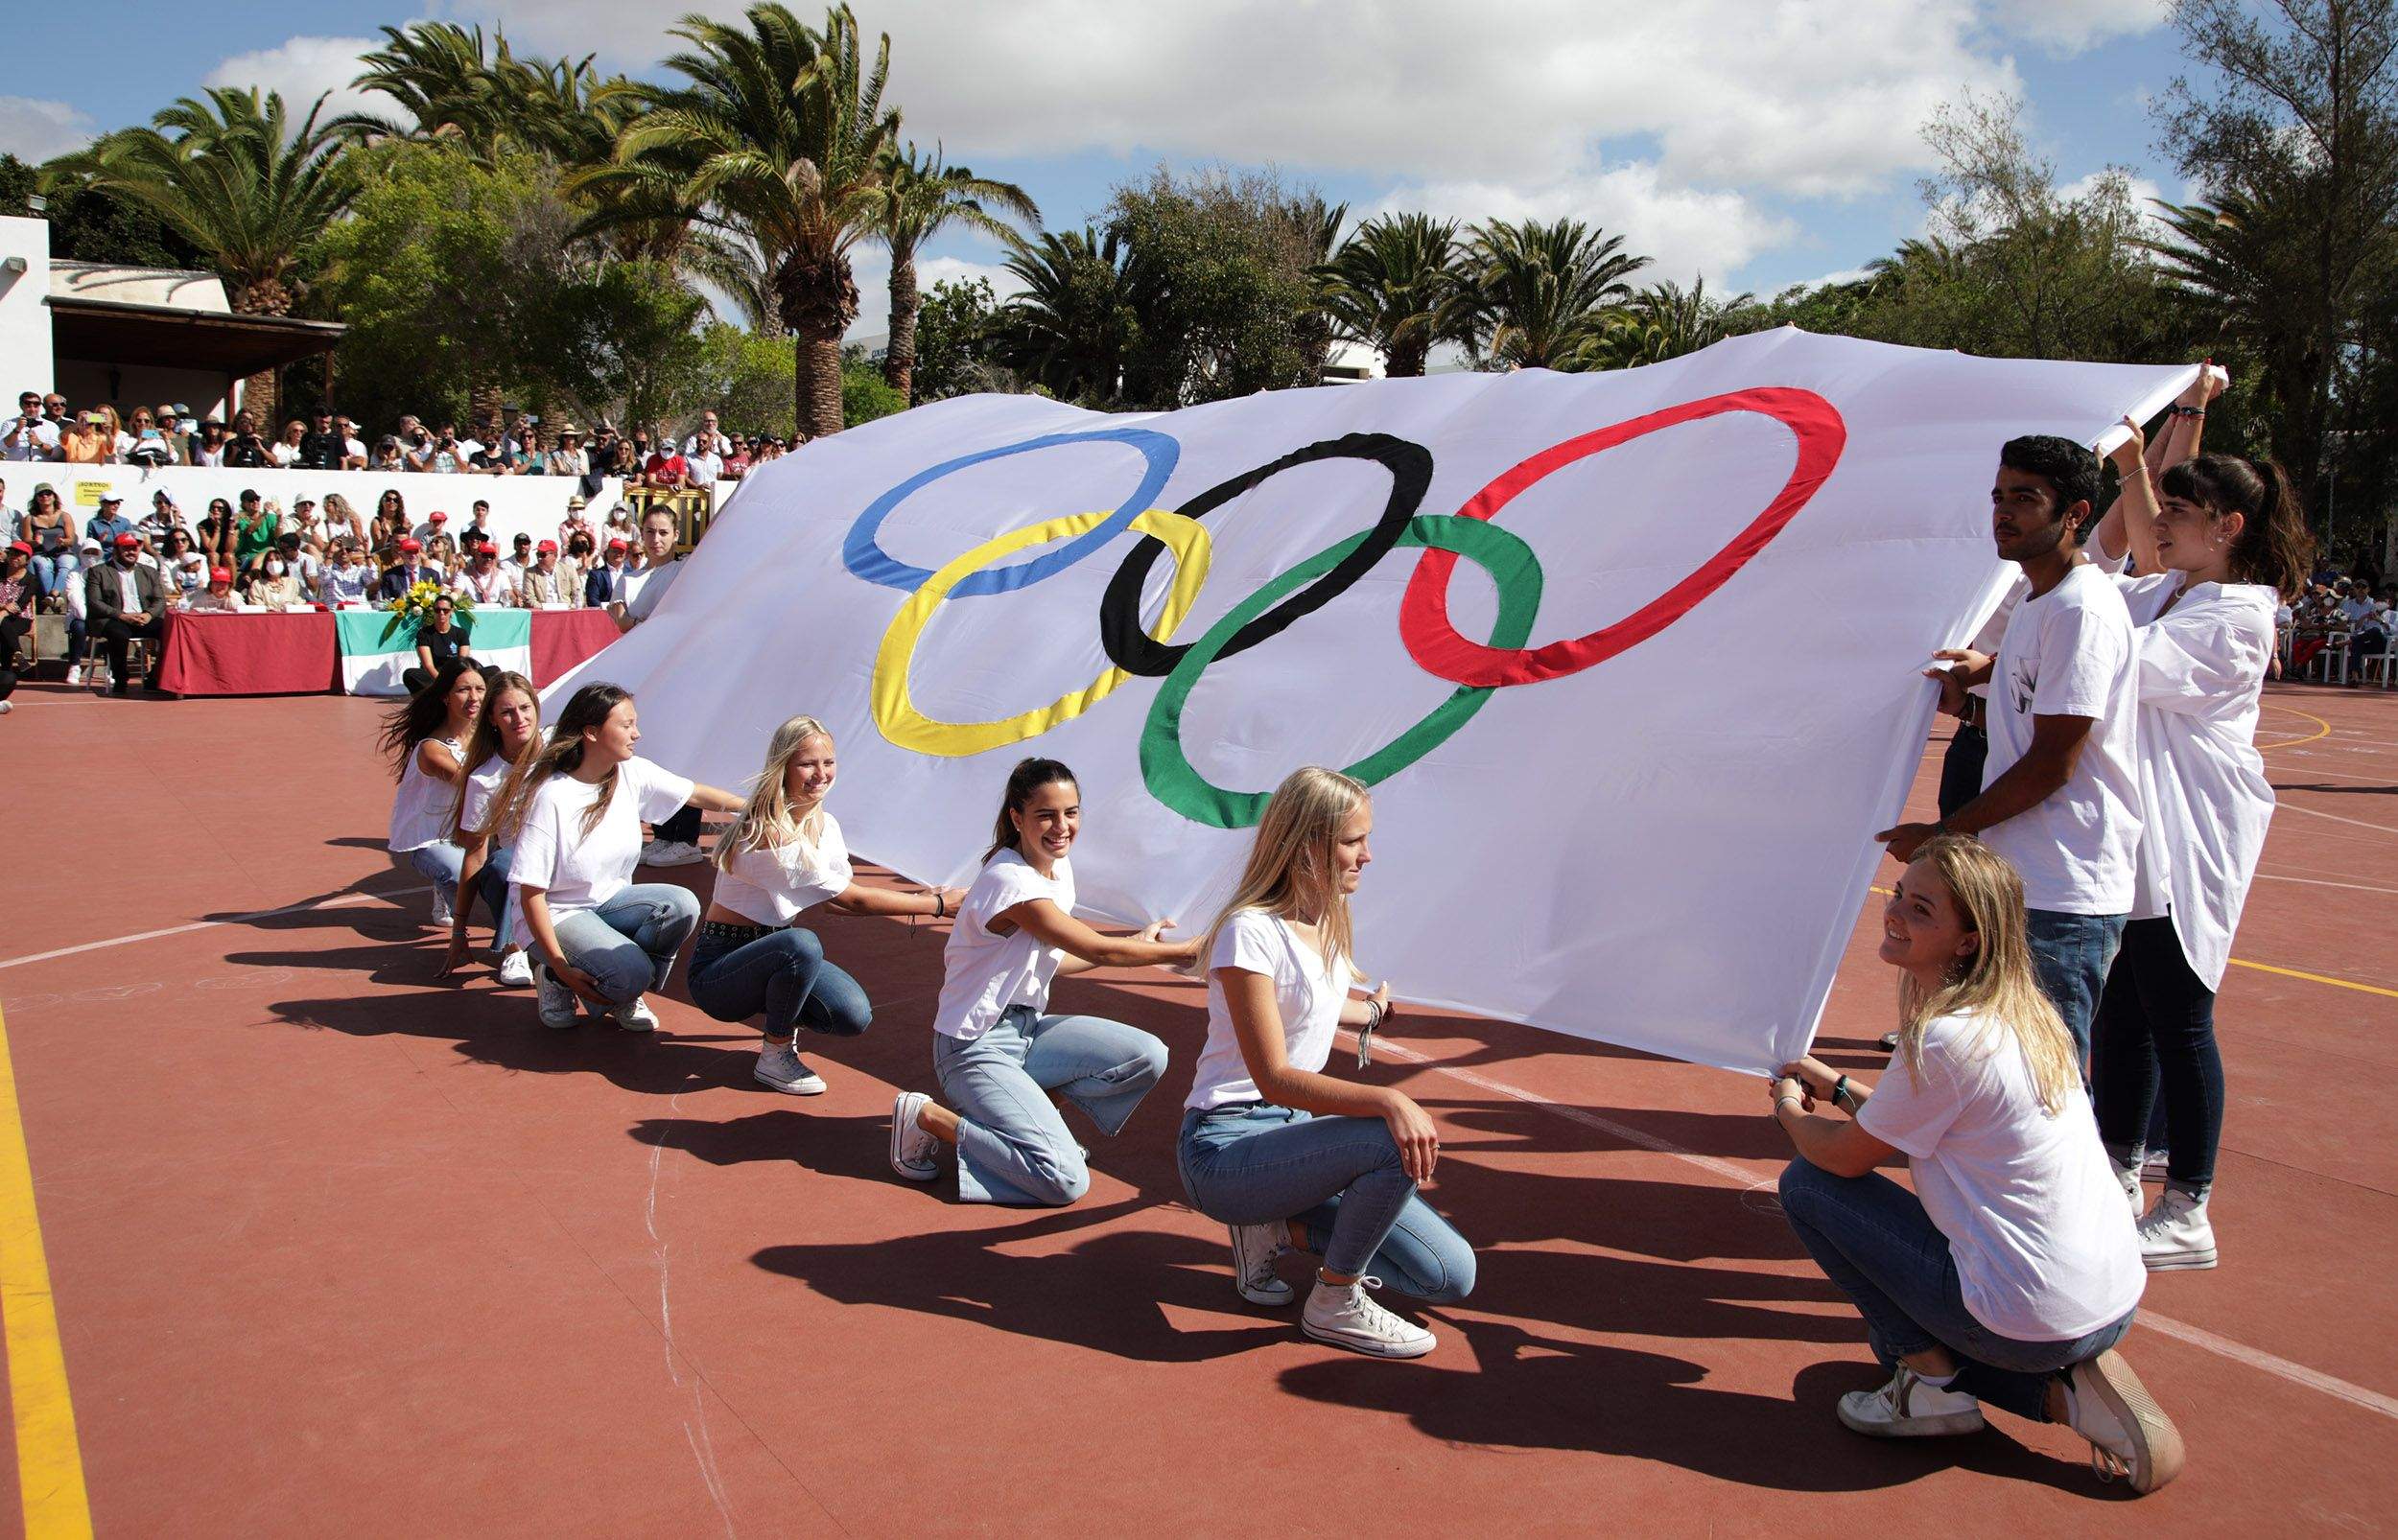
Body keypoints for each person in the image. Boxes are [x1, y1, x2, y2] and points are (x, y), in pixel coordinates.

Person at [1772, 834, 2181, 1495]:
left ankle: (1949, 1390)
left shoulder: (1946, 1038)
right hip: (2113, 1298)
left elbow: (1840, 1160)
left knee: (1809, 1191)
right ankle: (2068, 1389)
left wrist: (1789, 1109)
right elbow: (1919, 1130)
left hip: (2031, 1319)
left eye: (1922, 909)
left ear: (1968, 941)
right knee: (1902, 1331)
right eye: (1900, 894)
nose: (1895, 912)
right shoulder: (2023, 1013)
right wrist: (1842, 1088)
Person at [2084, 428, 2313, 1269]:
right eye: (2164, 510)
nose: (2162, 526)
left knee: (2179, 1015)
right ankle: (2114, 1170)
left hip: (2192, 840)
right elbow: (2118, 578)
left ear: (2229, 527)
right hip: (2139, 838)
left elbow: (2120, 663)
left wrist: (2138, 465)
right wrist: (2131, 468)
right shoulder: (2164, 593)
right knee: (2124, 1012)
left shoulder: (2241, 614)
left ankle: (2189, 1206)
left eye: (2181, 513)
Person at [1176, 766, 1474, 1358]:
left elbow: (1314, 1003)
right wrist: (1390, 1098)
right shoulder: (1249, 932)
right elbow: (1275, 1078)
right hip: (1226, 1148)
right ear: (1308, 844)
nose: (1367, 855)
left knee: (1447, 1274)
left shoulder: (1326, 920)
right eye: (1352, 841)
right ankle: (1334, 1299)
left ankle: (1276, 1229)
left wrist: (1372, 1014)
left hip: (1292, 1143)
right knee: (1390, 1139)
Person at [1880, 436, 2140, 1069]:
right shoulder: (2038, 600)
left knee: (2047, 1080)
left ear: (2075, 512)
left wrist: (1943, 835)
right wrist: (1972, 694)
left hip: (2065, 886)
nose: (2004, 512)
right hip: (2022, 880)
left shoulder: (2082, 610)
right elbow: (2027, 724)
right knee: (2001, 1068)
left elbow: (2054, 762)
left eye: (2025, 498)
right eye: (1999, 496)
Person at [888, 757, 1194, 1205]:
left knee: (1146, 1055)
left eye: (1071, 813)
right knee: (1065, 1181)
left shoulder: (1056, 870)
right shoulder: (1009, 882)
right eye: (1045, 815)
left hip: (1026, 1031)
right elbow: (1098, 950)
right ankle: (931, 1118)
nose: (1061, 826)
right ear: (1017, 818)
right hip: (972, 1047)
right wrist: (1187, 952)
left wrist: (1136, 942)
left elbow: (1055, 960)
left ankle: (1032, 1124)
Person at [691, 715, 964, 1093]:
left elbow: (837, 904)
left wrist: (921, 899)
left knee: (851, 1014)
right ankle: (775, 1053)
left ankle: (777, 1005)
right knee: (801, 945)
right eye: (807, 764)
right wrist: (934, 904)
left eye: (828, 762)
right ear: (782, 767)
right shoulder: (768, 831)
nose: (821, 773)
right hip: (720, 967)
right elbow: (851, 898)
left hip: (773, 952)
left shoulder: (825, 824)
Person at [505, 682, 743, 1031]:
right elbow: (531, 895)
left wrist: (762, 808)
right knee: (632, 973)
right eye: (627, 724)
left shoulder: (632, 772)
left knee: (680, 904)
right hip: (559, 913)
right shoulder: (552, 797)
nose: (637, 733)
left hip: (608, 902)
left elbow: (697, 794)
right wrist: (560, 967)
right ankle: (559, 981)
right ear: (591, 732)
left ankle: (623, 989)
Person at [613, 505, 707, 865]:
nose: (656, 539)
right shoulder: (630, 578)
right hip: (642, 676)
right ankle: (663, 832)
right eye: (650, 532)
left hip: (679, 675)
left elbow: (666, 618)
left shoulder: (684, 572)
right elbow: (623, 624)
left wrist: (639, 619)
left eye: (664, 532)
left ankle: (686, 837)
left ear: (675, 535)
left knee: (680, 753)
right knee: (649, 751)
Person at [438, 670, 542, 989]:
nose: (519, 718)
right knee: (499, 864)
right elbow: (476, 853)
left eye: (525, 708)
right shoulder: (485, 779)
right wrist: (459, 931)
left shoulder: (562, 755)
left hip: (568, 862)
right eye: (507, 712)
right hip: (521, 871)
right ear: (493, 720)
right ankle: (515, 948)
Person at [383, 662, 487, 928]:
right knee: (459, 874)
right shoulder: (432, 749)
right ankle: (444, 888)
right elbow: (474, 784)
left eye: (480, 689)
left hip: (477, 831)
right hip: (434, 838)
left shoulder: (490, 737)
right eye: (464, 689)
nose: (474, 697)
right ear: (445, 697)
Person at [85, 531, 167, 694]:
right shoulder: (98, 571)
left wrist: (148, 615)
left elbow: (160, 600)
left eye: (134, 549)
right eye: (126, 549)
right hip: (114, 618)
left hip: (142, 617)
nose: (131, 552)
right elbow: (95, 602)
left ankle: (155, 677)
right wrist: (122, 615)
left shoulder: (150, 572)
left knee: (170, 630)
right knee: (118, 634)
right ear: (115, 551)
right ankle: (121, 679)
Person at [404, 593, 479, 693]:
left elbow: (462, 662)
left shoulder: (461, 633)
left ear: (452, 611)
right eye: (437, 610)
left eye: (445, 610)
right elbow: (428, 665)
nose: (441, 613)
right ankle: (431, 699)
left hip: (456, 673)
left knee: (492, 671)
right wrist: (443, 682)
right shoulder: (424, 633)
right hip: (434, 674)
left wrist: (456, 681)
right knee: (410, 674)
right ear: (433, 611)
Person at [21, 484, 75, 605]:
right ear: (36, 498)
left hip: (63, 552)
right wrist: (35, 542)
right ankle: (54, 599)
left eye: (48, 493)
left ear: (54, 497)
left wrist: (63, 541)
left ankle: (52, 595)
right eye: (41, 494)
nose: (45, 496)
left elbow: (71, 540)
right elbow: (26, 541)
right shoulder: (30, 518)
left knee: (66, 565)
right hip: (41, 553)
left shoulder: (65, 516)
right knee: (43, 566)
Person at [0, 541, 35, 713]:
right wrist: (2, 609)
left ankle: (7, 670)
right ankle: (17, 653)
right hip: (3, 615)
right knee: (4, 627)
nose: (14, 557)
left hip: (20, 618)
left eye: (18, 554)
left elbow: (21, 604)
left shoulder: (31, 579)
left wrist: (4, 613)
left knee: (4, 624)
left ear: (27, 559)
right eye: (12, 553)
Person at [454, 539, 518, 608]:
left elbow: (509, 594)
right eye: (485, 555)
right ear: (477, 556)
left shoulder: (501, 574)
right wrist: (453, 597)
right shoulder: (463, 574)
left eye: (492, 556)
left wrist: (516, 601)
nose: (489, 559)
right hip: (472, 610)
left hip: (495, 611)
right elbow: (457, 592)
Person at [4, 392, 59, 461]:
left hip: (43, 469)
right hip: (15, 468)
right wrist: (17, 429)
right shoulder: (10, 423)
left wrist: (39, 443)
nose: (32, 409)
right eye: (28, 404)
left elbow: (57, 453)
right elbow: (2, 447)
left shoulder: (51, 426)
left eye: (36, 404)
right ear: (21, 405)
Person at [379, 537, 436, 601]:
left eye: (415, 551)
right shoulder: (389, 576)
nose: (413, 555)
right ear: (401, 554)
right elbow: (386, 601)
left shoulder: (433, 575)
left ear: (420, 553)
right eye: (408, 552)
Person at [319, 539, 373, 608]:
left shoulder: (360, 570)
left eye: (348, 550)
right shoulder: (329, 571)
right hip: (336, 610)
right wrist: (330, 553)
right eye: (340, 550)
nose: (344, 552)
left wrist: (367, 553)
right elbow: (323, 576)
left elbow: (372, 580)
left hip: (359, 609)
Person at [521, 540, 576, 607]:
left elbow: (577, 596)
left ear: (555, 555)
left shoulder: (569, 571)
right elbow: (529, 599)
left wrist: (570, 608)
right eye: (538, 554)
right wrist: (547, 609)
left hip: (566, 612)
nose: (539, 558)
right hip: (543, 613)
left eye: (543, 555)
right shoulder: (530, 573)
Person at [585, 536, 632, 608]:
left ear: (625, 555)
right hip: (604, 614)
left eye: (621, 551)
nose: (618, 554)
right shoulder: (596, 574)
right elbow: (592, 600)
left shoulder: (631, 573)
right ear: (607, 552)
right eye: (614, 551)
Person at [178, 566, 242, 614]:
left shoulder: (235, 598)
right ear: (211, 584)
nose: (220, 586)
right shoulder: (200, 596)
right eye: (217, 582)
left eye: (224, 583)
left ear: (229, 585)